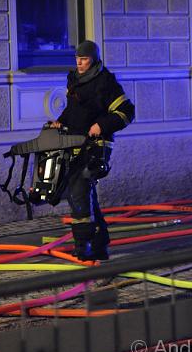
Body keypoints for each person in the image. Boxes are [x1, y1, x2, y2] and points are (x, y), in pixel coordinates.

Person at [49, 40, 135, 261]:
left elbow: (126, 112)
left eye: (84, 59)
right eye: (77, 58)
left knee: (78, 189)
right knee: (84, 192)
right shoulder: (75, 81)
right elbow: (73, 112)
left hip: (97, 147)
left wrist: (101, 126)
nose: (79, 62)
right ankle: (99, 244)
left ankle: (82, 245)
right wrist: (60, 122)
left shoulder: (106, 83)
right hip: (76, 144)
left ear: (93, 60)